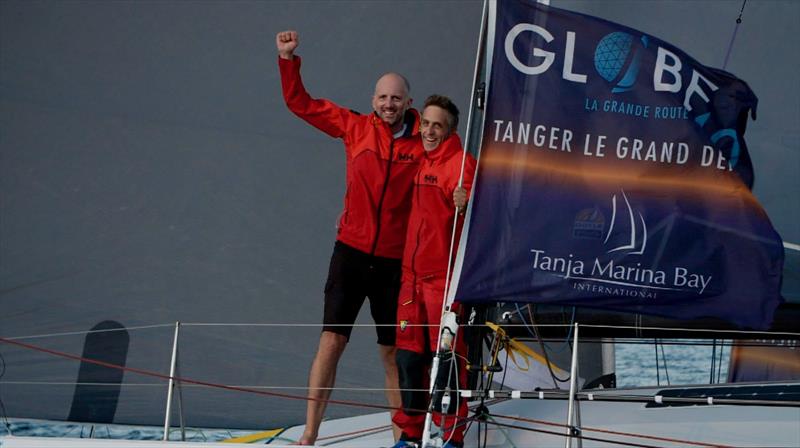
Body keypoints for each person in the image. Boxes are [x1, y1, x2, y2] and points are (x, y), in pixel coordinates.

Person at [276, 30, 424, 445]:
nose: (388, 104)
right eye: (382, 98)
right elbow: (299, 104)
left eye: (396, 98)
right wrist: (288, 60)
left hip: (395, 264)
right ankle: (309, 433)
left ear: (408, 103)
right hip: (351, 254)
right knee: (331, 342)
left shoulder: (424, 143)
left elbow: (452, 168)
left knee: (392, 353)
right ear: (374, 100)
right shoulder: (356, 128)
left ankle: (403, 439)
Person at [392, 95, 477, 448]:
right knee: (409, 360)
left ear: (450, 130)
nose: (428, 130)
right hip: (411, 281)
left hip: (444, 283)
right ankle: (410, 435)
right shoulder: (418, 158)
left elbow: (480, 212)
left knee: (448, 362)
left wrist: (466, 200)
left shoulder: (460, 164)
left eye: (436, 125)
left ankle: (453, 437)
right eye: (425, 123)